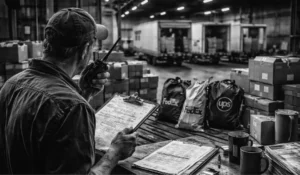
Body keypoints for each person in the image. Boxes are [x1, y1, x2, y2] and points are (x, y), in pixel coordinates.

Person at [0, 8, 137, 174]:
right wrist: (114, 154)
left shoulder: (11, 84)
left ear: (47, 43)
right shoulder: (73, 107)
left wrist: (83, 93)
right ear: (86, 49)